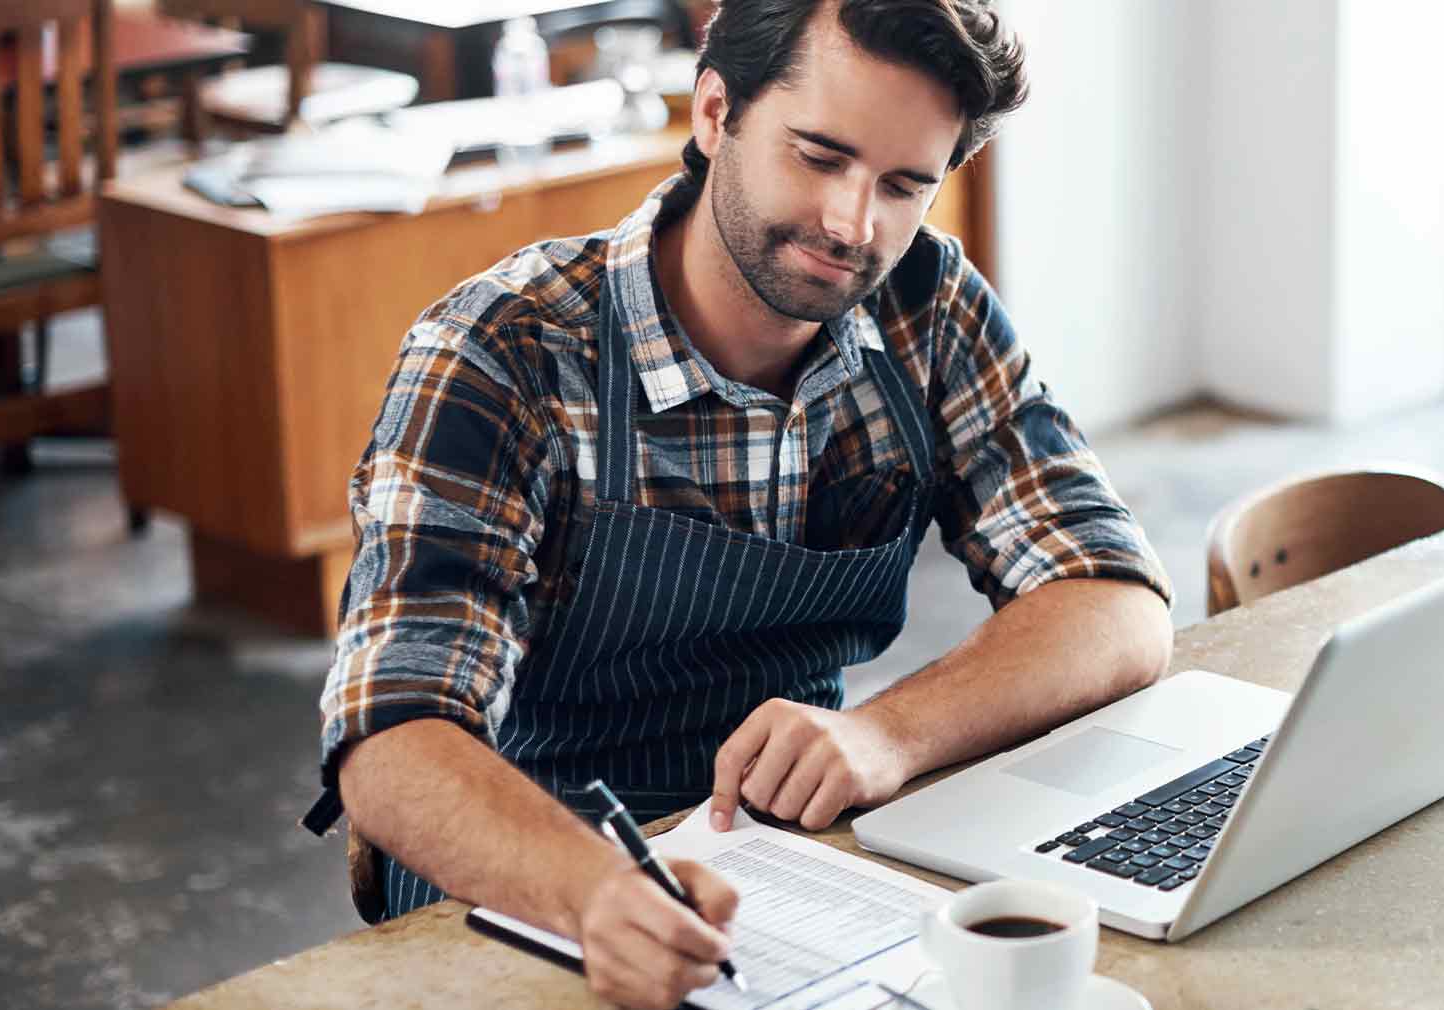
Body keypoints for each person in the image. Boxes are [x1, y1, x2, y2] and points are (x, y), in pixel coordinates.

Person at [301, 2, 1173, 1005]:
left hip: (799, 866)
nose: (854, 225)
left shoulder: (927, 304)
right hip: (527, 887)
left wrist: (887, 734)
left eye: (903, 185)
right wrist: (595, 892)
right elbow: (391, 743)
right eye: (819, 156)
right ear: (716, 112)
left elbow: (1116, 601)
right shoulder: (502, 351)